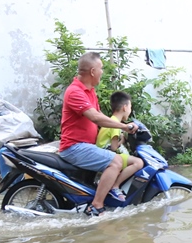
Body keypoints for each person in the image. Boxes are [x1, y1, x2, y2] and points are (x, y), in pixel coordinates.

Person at [59, 52, 138, 217]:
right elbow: (96, 118)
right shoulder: (75, 92)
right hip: (74, 147)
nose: (103, 72)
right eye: (101, 68)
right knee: (115, 162)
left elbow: (100, 117)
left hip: (85, 146)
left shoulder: (90, 91)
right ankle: (96, 205)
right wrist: (124, 126)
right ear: (93, 71)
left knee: (113, 158)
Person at [95, 91, 144, 197]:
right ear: (125, 107)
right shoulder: (116, 125)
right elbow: (113, 147)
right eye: (130, 107)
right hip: (107, 154)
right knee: (138, 163)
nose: (130, 111)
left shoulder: (111, 121)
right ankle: (115, 186)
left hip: (102, 152)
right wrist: (123, 141)